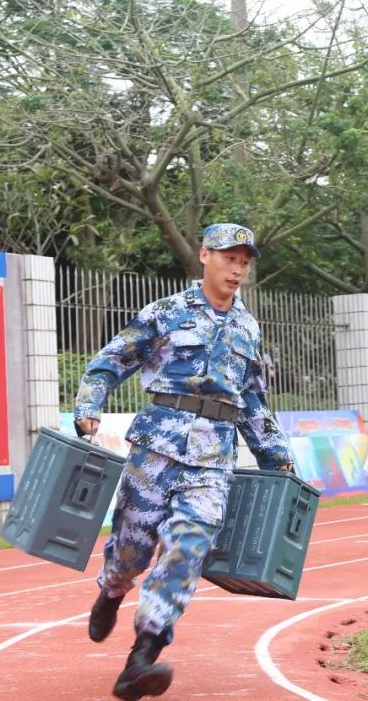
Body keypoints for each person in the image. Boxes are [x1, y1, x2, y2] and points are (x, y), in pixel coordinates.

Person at [73, 223, 296, 701]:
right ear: (204, 256)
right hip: (155, 448)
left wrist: (276, 456)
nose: (237, 268)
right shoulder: (167, 312)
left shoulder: (248, 328)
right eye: (229, 257)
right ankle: (112, 589)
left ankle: (140, 659)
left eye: (244, 260)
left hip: (212, 459)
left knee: (188, 547)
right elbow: (110, 361)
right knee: (131, 549)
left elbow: (253, 402)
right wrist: (88, 406)